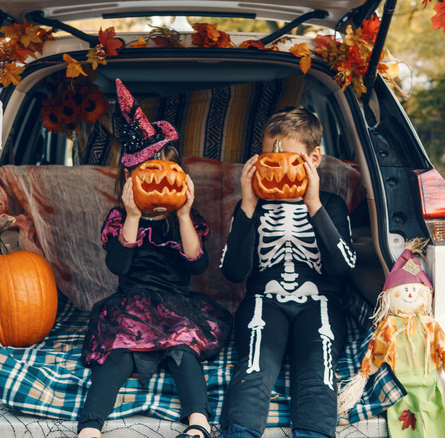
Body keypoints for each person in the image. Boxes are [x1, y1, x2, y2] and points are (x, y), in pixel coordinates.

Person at [78, 79, 232, 438]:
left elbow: (197, 265)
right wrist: (132, 213)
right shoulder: (120, 220)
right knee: (118, 353)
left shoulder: (186, 222)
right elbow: (118, 266)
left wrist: (183, 214)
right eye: (149, 176)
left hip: (178, 303)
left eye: (171, 175)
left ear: (183, 181)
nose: (161, 183)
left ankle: (198, 424)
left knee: (182, 350)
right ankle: (90, 428)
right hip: (131, 301)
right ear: (130, 181)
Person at [219, 107, 357, 438]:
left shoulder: (331, 205)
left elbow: (343, 269)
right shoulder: (251, 206)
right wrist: (249, 206)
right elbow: (234, 272)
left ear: (315, 158)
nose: (279, 169)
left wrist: (314, 205)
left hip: (320, 302)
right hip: (265, 301)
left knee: (319, 368)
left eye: (291, 161)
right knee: (254, 366)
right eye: (270, 159)